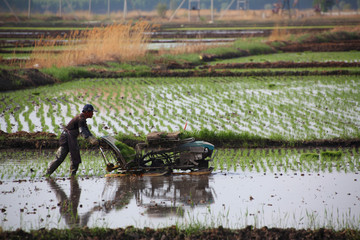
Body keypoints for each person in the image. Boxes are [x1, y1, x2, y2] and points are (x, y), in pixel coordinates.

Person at [45, 104, 99, 176]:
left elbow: (87, 131)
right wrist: (91, 140)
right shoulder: (81, 118)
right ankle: (47, 173)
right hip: (66, 138)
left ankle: (73, 175)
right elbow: (82, 132)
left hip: (72, 139)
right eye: (92, 112)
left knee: (75, 157)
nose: (93, 114)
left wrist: (94, 139)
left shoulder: (83, 119)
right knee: (60, 157)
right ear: (87, 112)